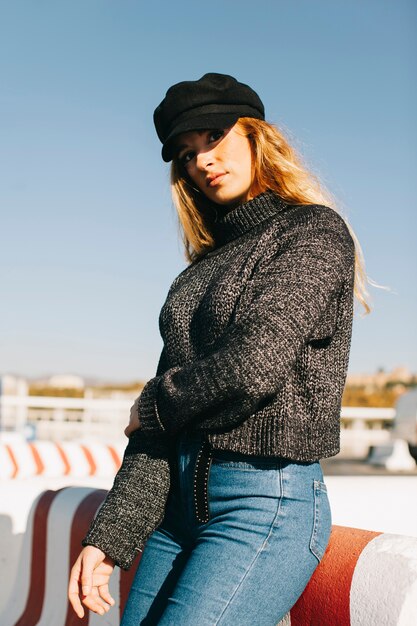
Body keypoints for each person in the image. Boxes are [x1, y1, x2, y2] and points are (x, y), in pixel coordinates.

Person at [68, 72, 371, 625]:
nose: (202, 160)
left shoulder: (312, 233)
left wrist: (156, 402)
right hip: (176, 512)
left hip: (262, 506)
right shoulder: (195, 276)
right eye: (186, 154)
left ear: (256, 136)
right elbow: (161, 430)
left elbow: (255, 363)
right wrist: (110, 537)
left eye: (213, 137)